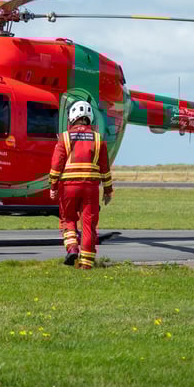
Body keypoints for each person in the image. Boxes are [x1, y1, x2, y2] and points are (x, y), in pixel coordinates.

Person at [49, 101, 113, 269]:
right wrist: (108, 191)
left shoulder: (64, 137)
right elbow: (105, 170)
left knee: (68, 218)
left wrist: (53, 187)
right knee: (89, 225)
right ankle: (86, 265)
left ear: (72, 117)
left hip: (68, 186)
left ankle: (72, 249)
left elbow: (56, 166)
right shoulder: (99, 139)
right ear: (89, 118)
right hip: (90, 188)